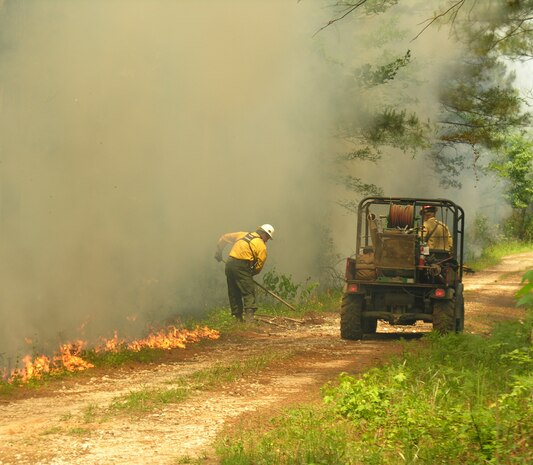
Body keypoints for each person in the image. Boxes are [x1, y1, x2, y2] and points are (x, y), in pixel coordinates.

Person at [215, 224, 275, 322]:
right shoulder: (261, 245)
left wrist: (219, 252)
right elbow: (259, 265)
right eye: (267, 237)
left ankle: (238, 319)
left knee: (234, 292)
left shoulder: (242, 234)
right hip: (242, 265)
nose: (267, 240)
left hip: (230, 264)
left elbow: (224, 237)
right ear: (263, 234)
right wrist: (251, 273)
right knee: (248, 292)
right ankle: (249, 321)